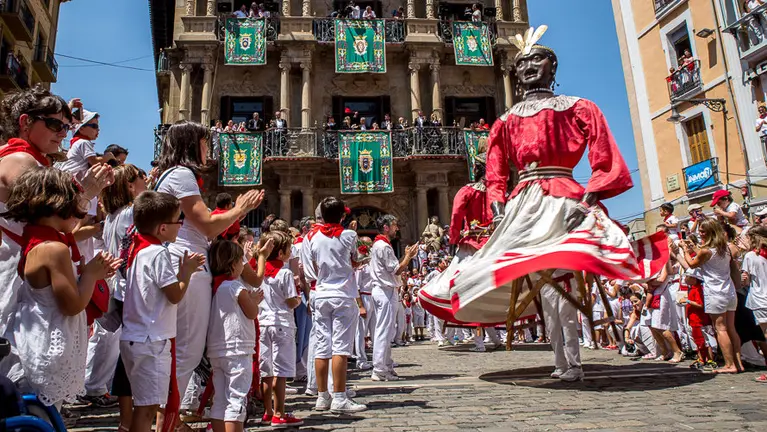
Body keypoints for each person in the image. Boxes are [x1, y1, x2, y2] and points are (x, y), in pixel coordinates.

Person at [448, 28, 667, 327]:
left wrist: (589, 200)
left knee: (568, 271)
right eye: (521, 63)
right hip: (522, 203)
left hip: (566, 196)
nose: (527, 67)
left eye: (536, 59)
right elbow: (495, 175)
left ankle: (571, 349)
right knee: (506, 271)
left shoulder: (580, 107)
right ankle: (559, 349)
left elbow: (605, 156)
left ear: (553, 67)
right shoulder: (503, 122)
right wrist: (498, 213)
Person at [154, 121, 265, 415]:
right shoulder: (181, 175)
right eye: (205, 143)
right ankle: (166, 418)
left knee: (182, 347)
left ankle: (169, 415)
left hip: (183, 259)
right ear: (191, 144)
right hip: (188, 262)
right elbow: (205, 223)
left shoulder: (171, 175)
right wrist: (241, 209)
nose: (209, 148)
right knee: (188, 348)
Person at [1, 168, 120, 410]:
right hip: (47, 348)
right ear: (60, 206)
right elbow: (72, 305)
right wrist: (90, 274)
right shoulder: (53, 249)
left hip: (37, 340)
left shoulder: (36, 241)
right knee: (42, 416)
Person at [81, 164, 146, 414]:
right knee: (132, 349)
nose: (144, 181)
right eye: (140, 177)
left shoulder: (112, 215)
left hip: (118, 287)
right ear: (130, 185)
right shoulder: (130, 213)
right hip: (129, 287)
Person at [308, 197, 367, 412]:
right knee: (340, 348)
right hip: (342, 295)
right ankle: (340, 397)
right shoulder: (349, 235)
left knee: (322, 348)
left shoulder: (312, 237)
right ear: (342, 215)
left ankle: (322, 396)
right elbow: (357, 258)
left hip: (322, 293)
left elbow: (311, 265)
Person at [206, 239, 269, 431]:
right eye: (242, 261)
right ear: (233, 264)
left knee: (220, 400)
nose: (244, 265)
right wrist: (254, 301)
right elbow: (251, 312)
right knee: (236, 398)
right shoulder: (235, 287)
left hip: (217, 351)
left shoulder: (215, 287)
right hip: (237, 349)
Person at [681, 219, 743, 373]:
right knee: (731, 329)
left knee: (720, 329)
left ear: (710, 232)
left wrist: (684, 250)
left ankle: (730, 365)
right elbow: (704, 255)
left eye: (703, 231)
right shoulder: (727, 248)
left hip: (715, 292)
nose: (700, 233)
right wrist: (694, 247)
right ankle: (738, 362)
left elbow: (692, 264)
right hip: (729, 290)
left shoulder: (706, 250)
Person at [255, 231, 303, 426]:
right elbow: (290, 301)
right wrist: (298, 298)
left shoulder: (258, 272)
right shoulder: (284, 273)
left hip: (263, 323)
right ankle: (279, 412)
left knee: (266, 370)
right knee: (280, 372)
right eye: (289, 249)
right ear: (281, 253)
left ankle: (267, 410)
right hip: (281, 323)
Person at [369, 214, 418, 381]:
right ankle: (379, 368)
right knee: (383, 330)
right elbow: (396, 269)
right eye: (394, 225)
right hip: (385, 290)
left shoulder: (380, 245)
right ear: (386, 227)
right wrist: (408, 257)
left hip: (385, 290)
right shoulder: (383, 246)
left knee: (387, 330)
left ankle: (386, 365)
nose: (397, 229)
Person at [683, 269, 715, 370]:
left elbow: (700, 304)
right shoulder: (694, 288)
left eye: (687, 277)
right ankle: (702, 358)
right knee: (700, 340)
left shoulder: (697, 289)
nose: (685, 279)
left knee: (702, 340)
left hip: (698, 319)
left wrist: (687, 301)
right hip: (694, 319)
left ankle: (705, 359)